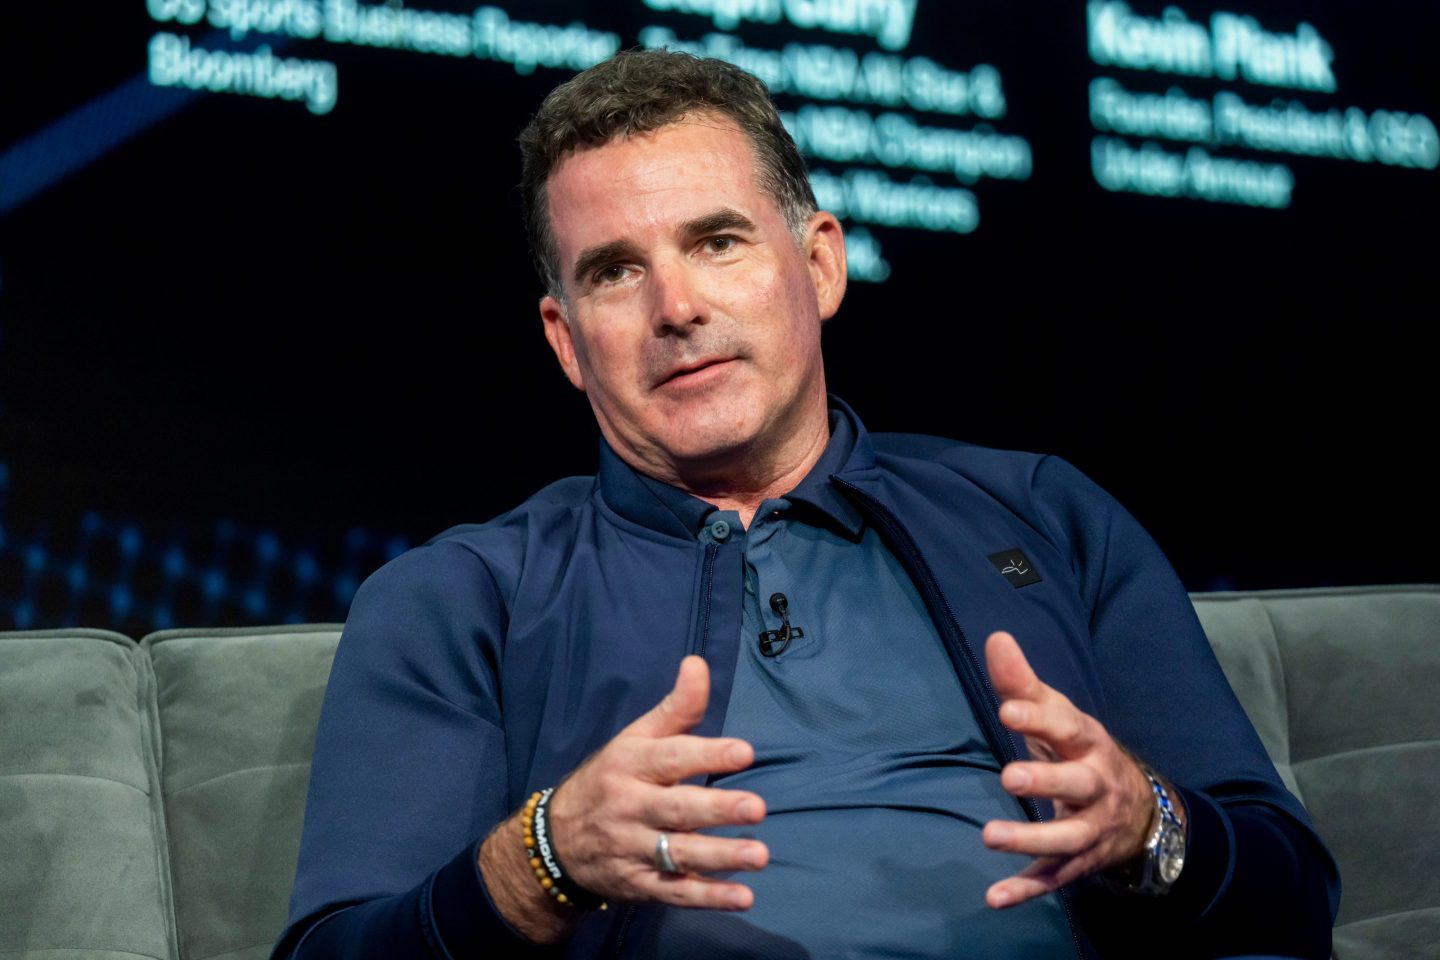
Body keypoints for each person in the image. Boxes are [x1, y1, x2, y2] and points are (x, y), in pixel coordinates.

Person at [273, 50, 1338, 959]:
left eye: (717, 242)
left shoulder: (1043, 515)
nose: (676, 306)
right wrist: (542, 858)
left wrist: (1148, 824)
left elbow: (1290, 891)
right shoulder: (462, 598)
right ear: (566, 341)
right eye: (615, 272)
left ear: (819, 265)